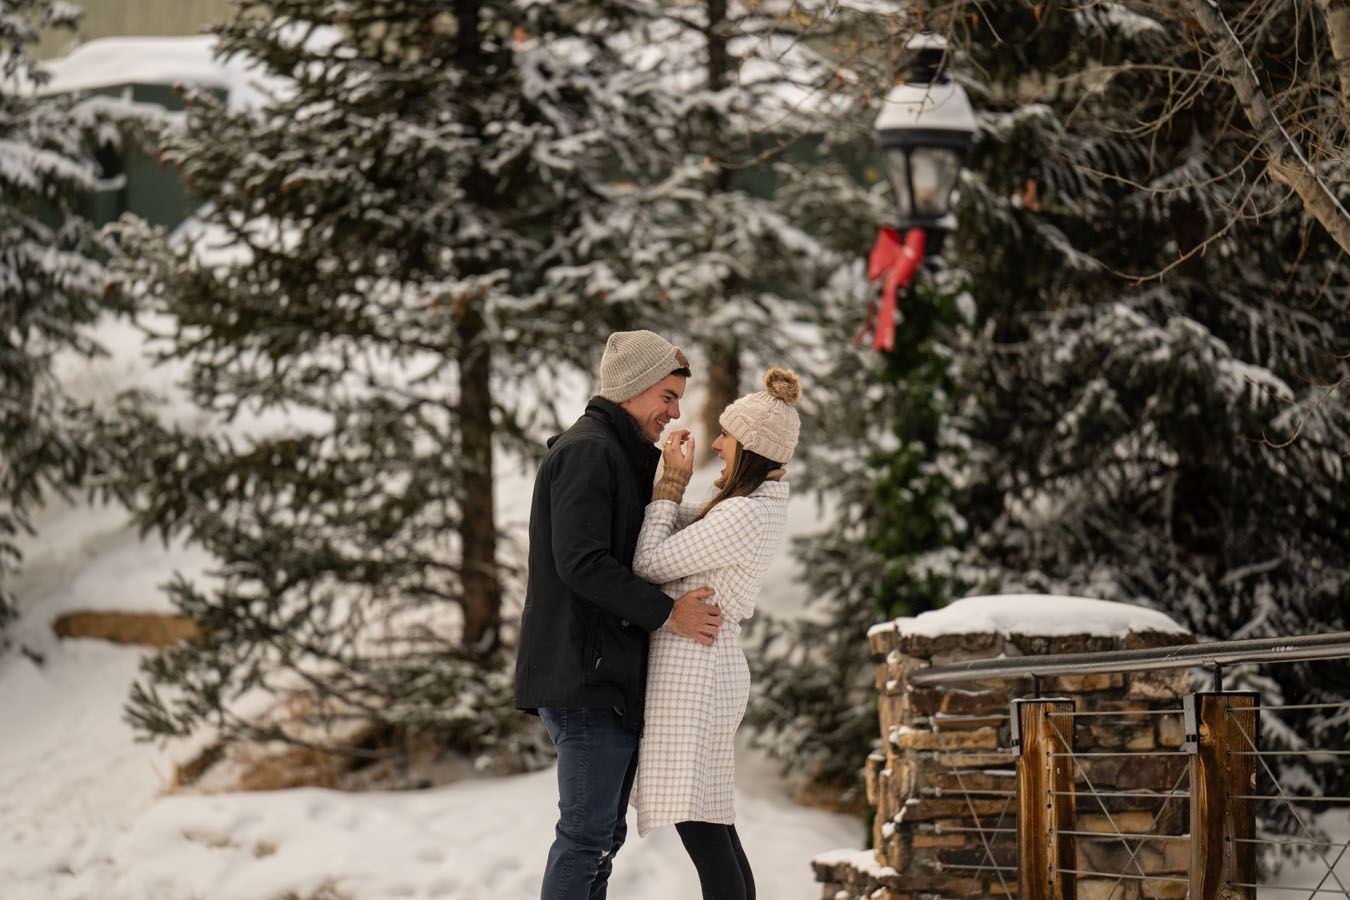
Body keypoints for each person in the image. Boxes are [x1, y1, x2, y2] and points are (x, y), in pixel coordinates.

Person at [515, 329, 726, 900]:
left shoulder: (620, 455)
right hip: (585, 679)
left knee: (600, 840)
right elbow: (581, 562)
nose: (676, 411)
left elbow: (639, 553)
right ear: (632, 389)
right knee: (585, 840)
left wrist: (671, 487)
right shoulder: (589, 451)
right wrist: (668, 614)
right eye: (667, 396)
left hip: (604, 677)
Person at [629, 367, 803, 900]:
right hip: (706, 669)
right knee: (712, 823)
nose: (719, 443)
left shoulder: (744, 515)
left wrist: (668, 489)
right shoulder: (748, 507)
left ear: (749, 448)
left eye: (728, 435)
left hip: (696, 675)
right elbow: (691, 526)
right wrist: (671, 492)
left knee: (700, 825)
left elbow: (648, 560)